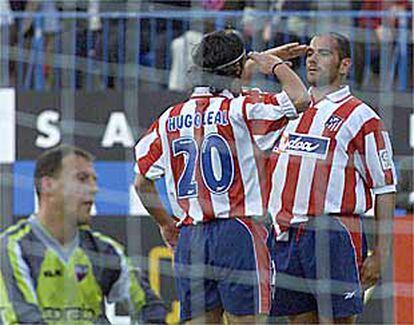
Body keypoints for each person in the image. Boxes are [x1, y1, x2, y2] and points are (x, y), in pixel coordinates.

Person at [134, 29, 310, 324]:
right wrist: (273, 64)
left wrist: (166, 224)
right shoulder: (241, 109)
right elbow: (300, 99)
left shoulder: (169, 118)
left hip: (191, 237)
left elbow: (141, 182)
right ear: (238, 70)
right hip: (238, 232)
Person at [267, 32, 397, 324]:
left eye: (323, 53)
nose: (312, 59)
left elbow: (386, 188)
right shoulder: (290, 111)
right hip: (286, 235)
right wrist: (271, 59)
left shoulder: (362, 117)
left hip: (333, 234)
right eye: (310, 53)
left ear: (344, 65)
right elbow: (237, 85)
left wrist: (381, 253)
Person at [0, 144, 167, 324]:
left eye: (94, 180)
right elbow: (21, 319)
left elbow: (149, 306)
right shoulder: (13, 247)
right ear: (47, 185)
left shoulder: (104, 249)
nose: (94, 188)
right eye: (82, 179)